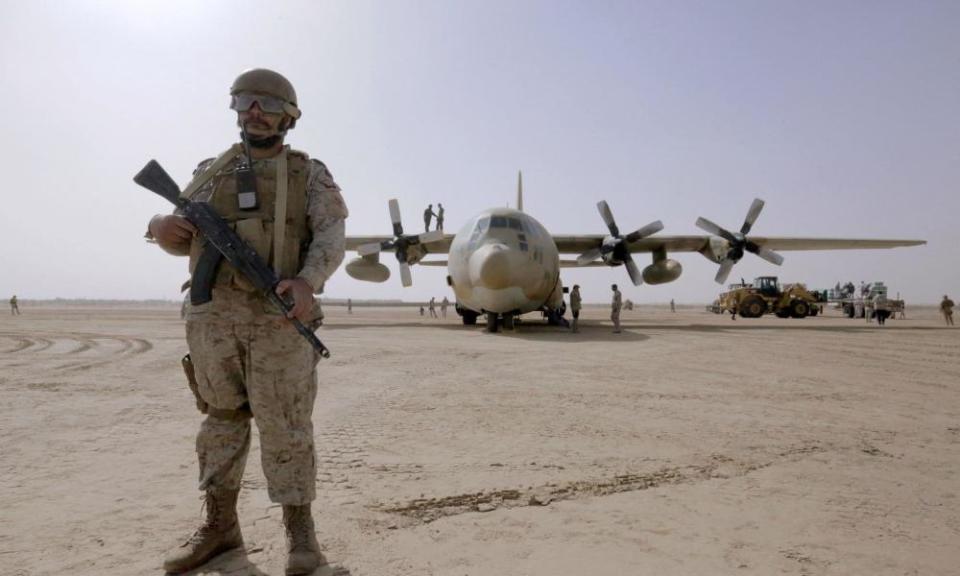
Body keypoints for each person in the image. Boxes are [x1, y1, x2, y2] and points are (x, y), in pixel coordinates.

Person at [145, 68, 346, 575]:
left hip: (280, 319)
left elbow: (330, 237)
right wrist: (159, 227)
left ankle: (301, 535)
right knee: (221, 421)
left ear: (289, 116)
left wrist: (306, 282)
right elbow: (176, 238)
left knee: (287, 426)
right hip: (213, 320)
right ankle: (219, 528)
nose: (255, 111)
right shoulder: (212, 170)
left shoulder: (309, 174)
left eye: (267, 104)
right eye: (246, 101)